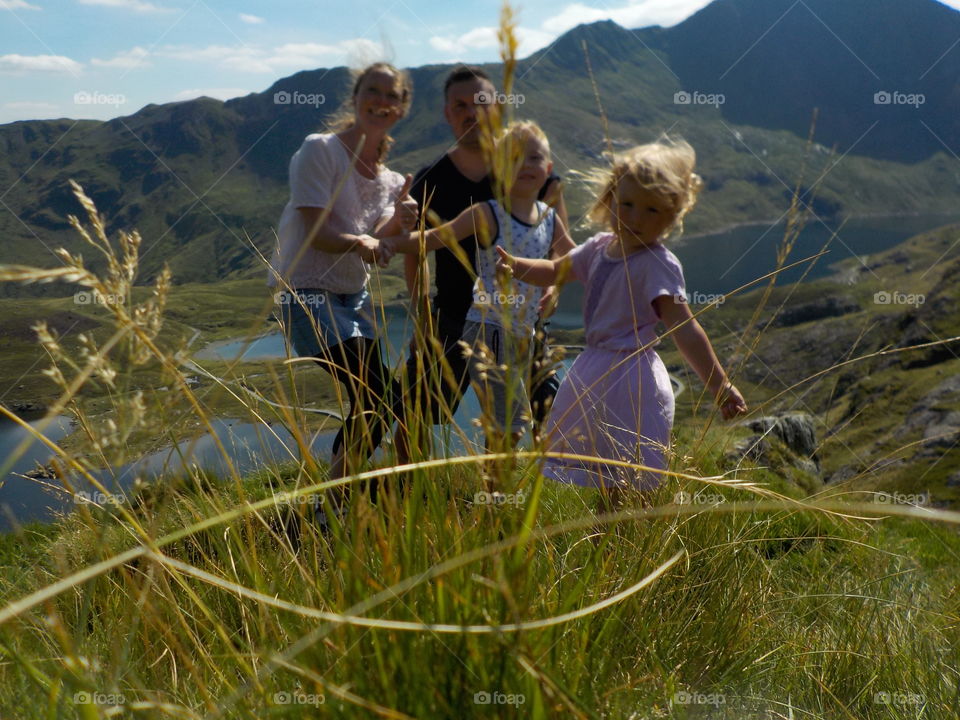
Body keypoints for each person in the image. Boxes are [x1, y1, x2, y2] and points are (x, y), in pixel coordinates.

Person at [495, 137, 748, 504]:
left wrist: (719, 385)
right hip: (592, 371)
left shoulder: (659, 264)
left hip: (633, 379)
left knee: (628, 478)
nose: (634, 218)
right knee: (601, 474)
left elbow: (686, 328)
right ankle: (607, 545)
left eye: (652, 210)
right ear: (609, 198)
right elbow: (554, 270)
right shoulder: (599, 246)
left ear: (674, 214)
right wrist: (517, 266)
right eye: (626, 204)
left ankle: (624, 542)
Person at [266, 62, 418, 526]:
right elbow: (317, 230)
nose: (382, 101)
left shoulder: (390, 180)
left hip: (351, 298)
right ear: (355, 98)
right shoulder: (321, 151)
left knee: (375, 400)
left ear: (402, 108)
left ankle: (331, 505)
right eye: (373, 91)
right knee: (376, 394)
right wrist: (364, 242)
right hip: (305, 293)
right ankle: (330, 505)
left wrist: (402, 221)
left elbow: (383, 242)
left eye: (392, 95)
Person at [399, 65, 572, 457]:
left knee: (548, 413)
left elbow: (561, 244)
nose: (471, 113)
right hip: (452, 321)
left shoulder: (534, 171)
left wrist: (555, 286)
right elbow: (418, 251)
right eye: (460, 105)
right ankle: (404, 497)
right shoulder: (430, 180)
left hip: (523, 323)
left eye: (481, 102)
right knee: (415, 416)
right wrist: (422, 321)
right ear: (446, 113)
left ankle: (531, 505)